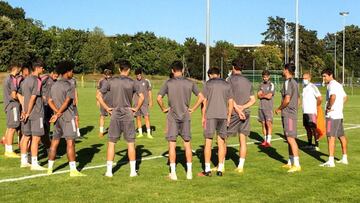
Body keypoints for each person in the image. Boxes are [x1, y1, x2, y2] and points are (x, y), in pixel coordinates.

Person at [97, 60, 144, 177]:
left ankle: (109, 172)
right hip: (128, 113)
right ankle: (133, 172)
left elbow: (98, 95)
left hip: (115, 113)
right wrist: (136, 108)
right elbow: (142, 97)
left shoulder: (111, 81)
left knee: (112, 143)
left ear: (119, 69)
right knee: (131, 143)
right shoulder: (133, 82)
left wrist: (107, 108)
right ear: (129, 70)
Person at [157, 60, 203, 181]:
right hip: (186, 115)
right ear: (182, 70)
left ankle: (173, 173)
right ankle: (189, 173)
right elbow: (201, 97)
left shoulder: (168, 82)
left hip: (172, 116)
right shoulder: (190, 82)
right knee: (187, 144)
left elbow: (158, 98)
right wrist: (193, 108)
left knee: (172, 144)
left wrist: (163, 108)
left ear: (172, 70)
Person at [47, 61, 86, 176]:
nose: (72, 73)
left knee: (54, 143)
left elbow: (49, 101)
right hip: (68, 118)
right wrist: (58, 113)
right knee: (70, 143)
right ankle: (73, 170)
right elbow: (67, 101)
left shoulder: (54, 85)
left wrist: (55, 113)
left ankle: (49, 169)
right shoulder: (69, 85)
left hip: (58, 119)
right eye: (71, 70)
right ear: (67, 71)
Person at [197, 68, 233, 177]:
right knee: (221, 142)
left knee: (208, 142)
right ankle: (220, 168)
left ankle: (207, 169)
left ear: (209, 75)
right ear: (219, 74)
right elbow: (230, 102)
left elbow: (204, 101)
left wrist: (203, 116)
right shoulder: (227, 84)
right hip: (223, 116)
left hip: (210, 116)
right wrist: (229, 116)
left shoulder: (208, 84)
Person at [227, 59, 256, 174]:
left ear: (233, 67)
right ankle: (240, 166)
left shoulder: (229, 80)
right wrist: (243, 108)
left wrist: (238, 109)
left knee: (223, 138)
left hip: (233, 112)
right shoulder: (248, 82)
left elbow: (229, 98)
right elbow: (253, 100)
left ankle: (221, 164)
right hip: (246, 113)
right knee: (243, 140)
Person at [19, 61, 46, 170]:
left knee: (25, 137)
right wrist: (28, 112)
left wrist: (24, 111)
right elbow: (33, 98)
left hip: (25, 113)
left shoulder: (25, 80)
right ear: (38, 68)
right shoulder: (37, 80)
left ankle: (23, 161)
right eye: (42, 68)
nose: (43, 70)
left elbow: (21, 96)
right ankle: (34, 163)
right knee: (36, 138)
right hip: (35, 113)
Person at [275, 63, 301, 173]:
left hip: (288, 114)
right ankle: (290, 161)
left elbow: (287, 99)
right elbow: (299, 100)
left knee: (290, 138)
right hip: (290, 113)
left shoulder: (288, 82)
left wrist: (279, 108)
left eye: (283, 69)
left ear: (286, 70)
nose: (282, 71)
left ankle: (297, 164)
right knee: (288, 137)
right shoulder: (295, 82)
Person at [320, 68, 348, 167]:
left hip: (332, 115)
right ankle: (344, 158)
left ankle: (331, 161)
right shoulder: (338, 85)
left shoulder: (331, 85)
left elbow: (333, 97)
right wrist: (339, 107)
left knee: (330, 136)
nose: (323, 78)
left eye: (325, 76)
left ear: (330, 75)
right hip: (339, 115)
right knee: (341, 136)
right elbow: (345, 97)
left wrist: (329, 107)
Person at [2, 63, 22, 158]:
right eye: (19, 69)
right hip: (13, 105)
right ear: (16, 68)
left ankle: (7, 148)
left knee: (9, 127)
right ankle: (9, 151)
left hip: (8, 105)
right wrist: (22, 99)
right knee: (12, 128)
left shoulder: (6, 78)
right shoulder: (12, 79)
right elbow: (14, 95)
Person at [301, 73, 322, 151]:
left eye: (305, 78)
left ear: (309, 78)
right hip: (305, 111)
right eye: (303, 78)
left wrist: (316, 107)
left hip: (311, 111)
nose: (304, 80)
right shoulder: (304, 87)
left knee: (313, 128)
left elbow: (319, 98)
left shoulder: (313, 87)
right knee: (307, 128)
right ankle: (309, 144)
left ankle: (316, 145)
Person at [41, 69, 59, 150]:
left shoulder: (56, 82)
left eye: (57, 76)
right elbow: (37, 85)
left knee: (48, 124)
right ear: (52, 73)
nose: (56, 77)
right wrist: (42, 95)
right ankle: (44, 141)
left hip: (50, 106)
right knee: (42, 124)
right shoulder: (45, 78)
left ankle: (46, 140)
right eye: (55, 75)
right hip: (42, 106)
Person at [134, 68, 153, 139]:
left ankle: (149, 133)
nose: (139, 76)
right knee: (138, 118)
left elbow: (149, 91)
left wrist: (151, 101)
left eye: (140, 74)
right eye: (137, 75)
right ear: (135, 75)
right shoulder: (133, 82)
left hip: (145, 103)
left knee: (146, 117)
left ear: (141, 74)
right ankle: (140, 133)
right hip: (136, 103)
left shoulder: (146, 81)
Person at [257, 70, 275, 147]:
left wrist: (263, 95)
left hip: (268, 107)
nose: (265, 78)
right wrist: (265, 95)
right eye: (264, 77)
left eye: (266, 77)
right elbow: (258, 95)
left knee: (268, 123)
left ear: (269, 77)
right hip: (261, 107)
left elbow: (269, 96)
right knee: (263, 124)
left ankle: (268, 141)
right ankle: (265, 140)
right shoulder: (260, 84)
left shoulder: (271, 84)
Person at [97, 69, 112, 137]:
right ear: (104, 74)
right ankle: (101, 131)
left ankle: (113, 130)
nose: (108, 76)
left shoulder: (113, 81)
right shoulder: (101, 81)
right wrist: (97, 100)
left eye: (109, 74)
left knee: (113, 116)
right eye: (106, 74)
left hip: (112, 102)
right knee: (102, 116)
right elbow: (98, 90)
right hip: (103, 101)